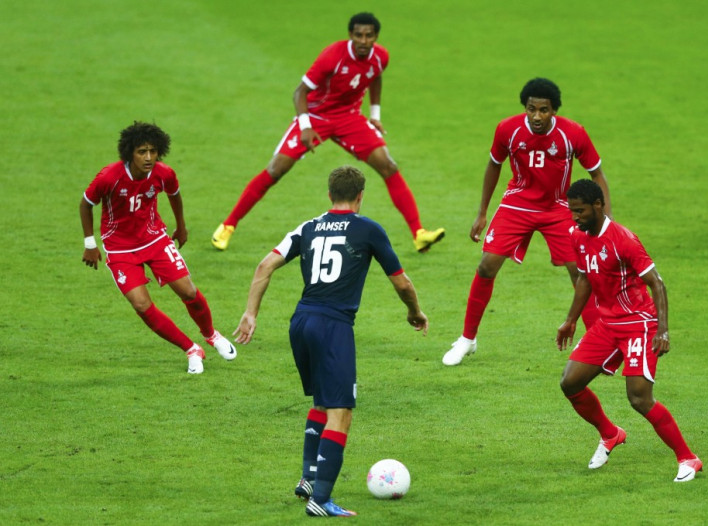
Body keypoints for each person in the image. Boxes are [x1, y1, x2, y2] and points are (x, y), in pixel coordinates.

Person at [233, 165, 428, 517]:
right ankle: (320, 500)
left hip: (301, 322)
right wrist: (415, 311)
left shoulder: (308, 227)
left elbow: (265, 266)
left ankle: (309, 479)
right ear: (360, 196)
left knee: (322, 403)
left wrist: (251, 313)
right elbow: (402, 282)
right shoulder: (368, 229)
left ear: (329, 195)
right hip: (333, 326)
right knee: (341, 412)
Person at [211, 12, 445, 253]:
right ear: (350, 35)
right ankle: (228, 225)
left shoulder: (380, 57)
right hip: (315, 117)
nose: (363, 41)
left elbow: (375, 78)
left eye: (369, 36)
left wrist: (375, 115)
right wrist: (305, 127)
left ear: (376, 36)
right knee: (276, 169)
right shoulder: (333, 56)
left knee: (388, 166)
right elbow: (299, 93)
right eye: (358, 35)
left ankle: (419, 234)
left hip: (349, 118)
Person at [442, 78, 612, 366]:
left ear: (554, 110)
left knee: (579, 269)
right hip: (517, 204)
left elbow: (597, 174)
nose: (536, 116)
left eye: (543, 110)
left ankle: (599, 339)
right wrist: (482, 212)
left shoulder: (573, 134)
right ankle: (467, 340)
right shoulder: (507, 129)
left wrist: (604, 220)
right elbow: (493, 165)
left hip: (559, 207)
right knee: (486, 265)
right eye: (531, 109)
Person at [556, 178, 702, 482]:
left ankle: (688, 458)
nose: (575, 217)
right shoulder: (577, 235)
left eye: (580, 211)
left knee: (638, 398)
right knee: (570, 382)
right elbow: (585, 278)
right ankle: (610, 434)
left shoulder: (623, 239)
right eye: (572, 211)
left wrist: (663, 330)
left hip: (639, 324)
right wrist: (570, 319)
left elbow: (657, 283)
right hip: (607, 324)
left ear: (598, 205)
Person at [80, 121, 237, 374]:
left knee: (187, 291)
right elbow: (86, 204)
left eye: (153, 151)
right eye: (142, 151)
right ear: (129, 152)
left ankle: (212, 335)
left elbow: (174, 195)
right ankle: (191, 349)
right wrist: (90, 244)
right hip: (120, 249)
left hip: (154, 240)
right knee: (141, 305)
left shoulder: (164, 173)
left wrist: (181, 227)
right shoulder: (109, 177)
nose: (149, 157)